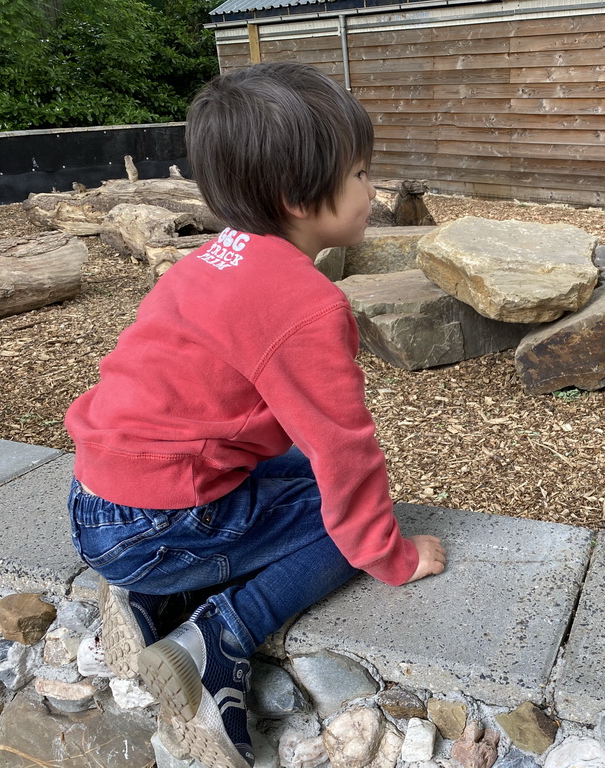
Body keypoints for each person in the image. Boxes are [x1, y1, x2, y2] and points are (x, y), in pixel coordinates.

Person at [64, 62, 447, 768]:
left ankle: (149, 598)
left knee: (302, 476)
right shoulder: (304, 304)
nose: (373, 189)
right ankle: (219, 641)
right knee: (348, 522)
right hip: (155, 524)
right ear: (298, 197)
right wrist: (388, 555)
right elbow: (345, 453)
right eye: (361, 173)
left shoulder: (208, 260)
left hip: (98, 498)